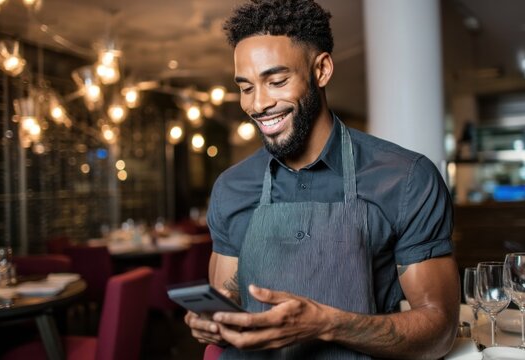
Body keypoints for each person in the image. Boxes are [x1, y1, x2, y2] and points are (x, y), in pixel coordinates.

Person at [184, 0, 460, 358]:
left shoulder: (405, 178)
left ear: (322, 70)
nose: (257, 104)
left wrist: (327, 324)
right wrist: (211, 322)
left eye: (277, 81)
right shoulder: (231, 187)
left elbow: (440, 331)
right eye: (246, 87)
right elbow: (226, 304)